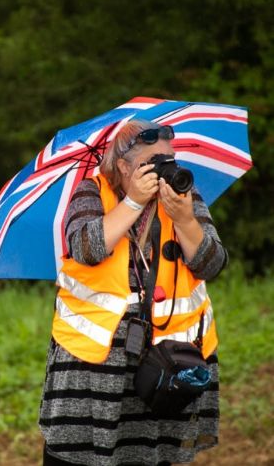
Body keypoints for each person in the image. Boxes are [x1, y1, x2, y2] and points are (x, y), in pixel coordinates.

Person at [39, 119, 228, 466]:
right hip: (94, 370)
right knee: (80, 456)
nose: (165, 170)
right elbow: (87, 249)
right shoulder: (91, 192)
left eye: (169, 160)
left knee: (151, 457)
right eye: (153, 162)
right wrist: (133, 203)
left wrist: (185, 220)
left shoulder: (184, 198)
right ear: (124, 166)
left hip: (166, 366)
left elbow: (212, 264)